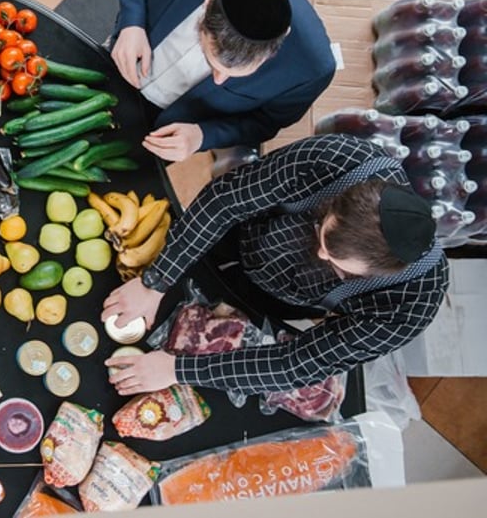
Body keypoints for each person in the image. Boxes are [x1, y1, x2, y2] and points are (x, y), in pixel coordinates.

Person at [101, 133, 449, 397]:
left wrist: (177, 370)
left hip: (279, 297)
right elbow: (226, 201)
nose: (321, 255)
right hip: (239, 234)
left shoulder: (412, 303)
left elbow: (296, 363)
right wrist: (154, 283)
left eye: (338, 266)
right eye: (323, 234)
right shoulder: (340, 158)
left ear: (379, 272)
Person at [110, 0, 336, 162]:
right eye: (211, 62)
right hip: (125, 57)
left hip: (168, 126)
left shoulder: (312, 71)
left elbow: (265, 122)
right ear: (207, 5)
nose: (219, 81)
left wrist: (202, 136)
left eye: (233, 73)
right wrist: (131, 24)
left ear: (282, 40)